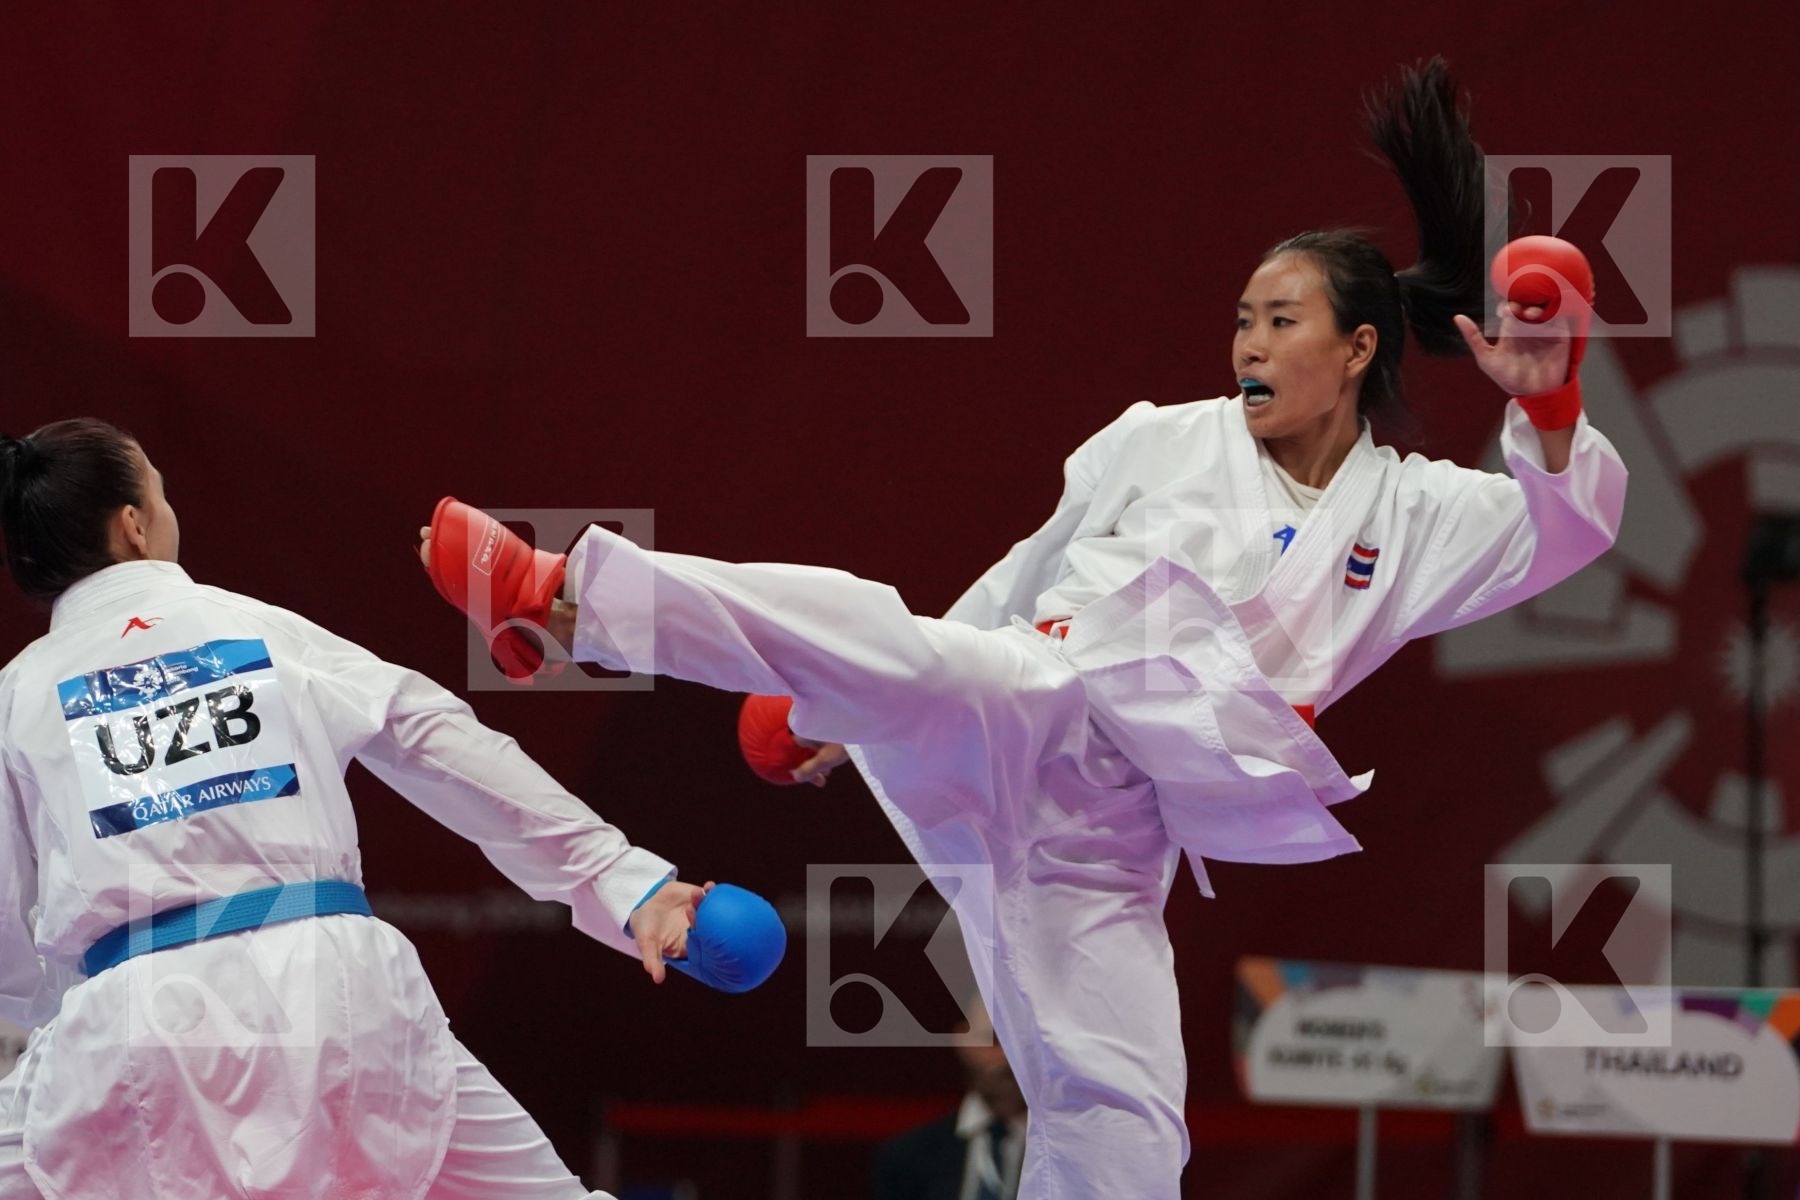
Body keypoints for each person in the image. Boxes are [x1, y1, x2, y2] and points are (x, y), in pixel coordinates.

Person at [423, 58, 1627, 1199]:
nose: (1248, 345)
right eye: (1241, 321)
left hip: (1114, 833)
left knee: (1127, 1115)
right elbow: (1017, 579)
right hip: (1032, 698)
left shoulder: (1414, 512)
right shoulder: (1160, 437)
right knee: (891, 637)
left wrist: (1554, 401)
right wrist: (847, 716)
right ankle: (561, 596)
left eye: (1280, 323)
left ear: (1358, 348)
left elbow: (1565, 527)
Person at [0, 419, 782, 1200]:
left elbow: (7, 919)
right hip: (338, 993)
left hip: (138, 1025)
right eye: (162, 495)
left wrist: (52, 1010)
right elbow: (437, 740)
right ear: (134, 526)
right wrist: (621, 880)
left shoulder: (19, 695)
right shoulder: (258, 630)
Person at [872, 997, 1027, 1200]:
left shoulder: (1071, 1153)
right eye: (992, 1040)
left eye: (1020, 1042)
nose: (1006, 1058)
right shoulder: (908, 1156)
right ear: (962, 1039)